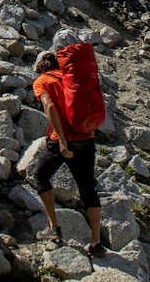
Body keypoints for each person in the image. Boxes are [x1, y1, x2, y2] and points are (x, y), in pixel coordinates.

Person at [30, 48, 104, 255]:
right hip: (86, 139)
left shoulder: (42, 81)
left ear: (40, 67)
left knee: (40, 176)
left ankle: (53, 228)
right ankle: (96, 242)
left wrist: (62, 140)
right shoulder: (73, 79)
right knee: (88, 188)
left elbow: (49, 106)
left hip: (60, 141)